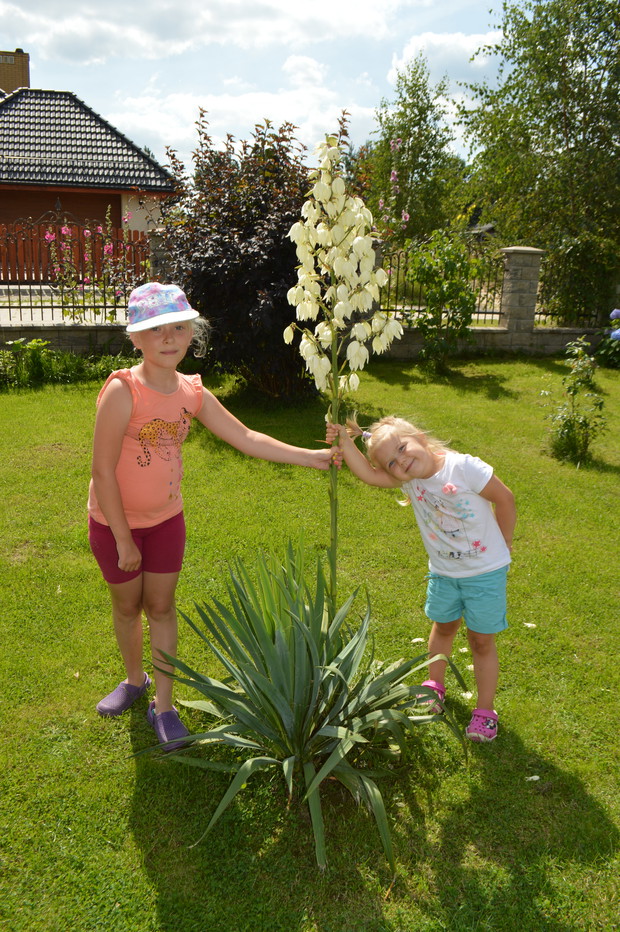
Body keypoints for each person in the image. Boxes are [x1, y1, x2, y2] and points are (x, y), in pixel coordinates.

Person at [89, 282, 335, 750]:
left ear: (192, 333)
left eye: (179, 327)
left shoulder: (192, 391)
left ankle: (163, 705)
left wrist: (312, 457)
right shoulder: (123, 391)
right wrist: (121, 539)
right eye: (156, 329)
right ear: (135, 337)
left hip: (166, 520)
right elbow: (102, 470)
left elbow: (246, 437)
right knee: (127, 607)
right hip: (113, 524)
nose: (169, 337)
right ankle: (134, 679)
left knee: (161, 607)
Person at [326, 415, 516, 743]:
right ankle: (434, 687)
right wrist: (344, 440)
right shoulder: (411, 481)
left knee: (481, 641)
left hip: (485, 574)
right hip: (444, 573)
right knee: (443, 627)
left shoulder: (463, 468)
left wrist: (505, 542)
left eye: (402, 448)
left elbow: (505, 498)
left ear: (420, 438)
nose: (401, 461)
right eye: (392, 462)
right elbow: (368, 475)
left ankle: (485, 711)